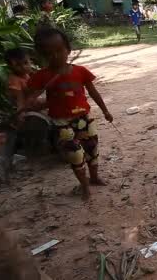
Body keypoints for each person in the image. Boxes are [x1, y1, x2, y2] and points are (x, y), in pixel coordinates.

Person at [27, 28, 113, 200]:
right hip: (61, 122)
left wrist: (105, 110)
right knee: (75, 154)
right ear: (41, 55)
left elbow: (93, 92)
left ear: (68, 49)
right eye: (49, 53)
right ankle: (84, 186)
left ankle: (94, 177)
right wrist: (39, 102)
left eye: (59, 50)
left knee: (92, 148)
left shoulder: (80, 71)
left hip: (85, 118)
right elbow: (31, 99)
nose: (56, 56)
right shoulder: (41, 76)